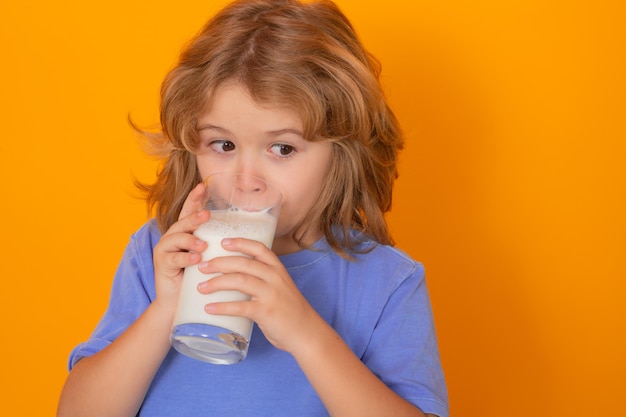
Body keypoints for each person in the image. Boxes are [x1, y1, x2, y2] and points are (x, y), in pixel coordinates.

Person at [57, 0, 448, 416]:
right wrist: (166, 308)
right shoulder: (158, 255)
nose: (246, 179)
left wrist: (305, 333)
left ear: (342, 153)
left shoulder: (387, 283)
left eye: (282, 148)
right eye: (223, 145)